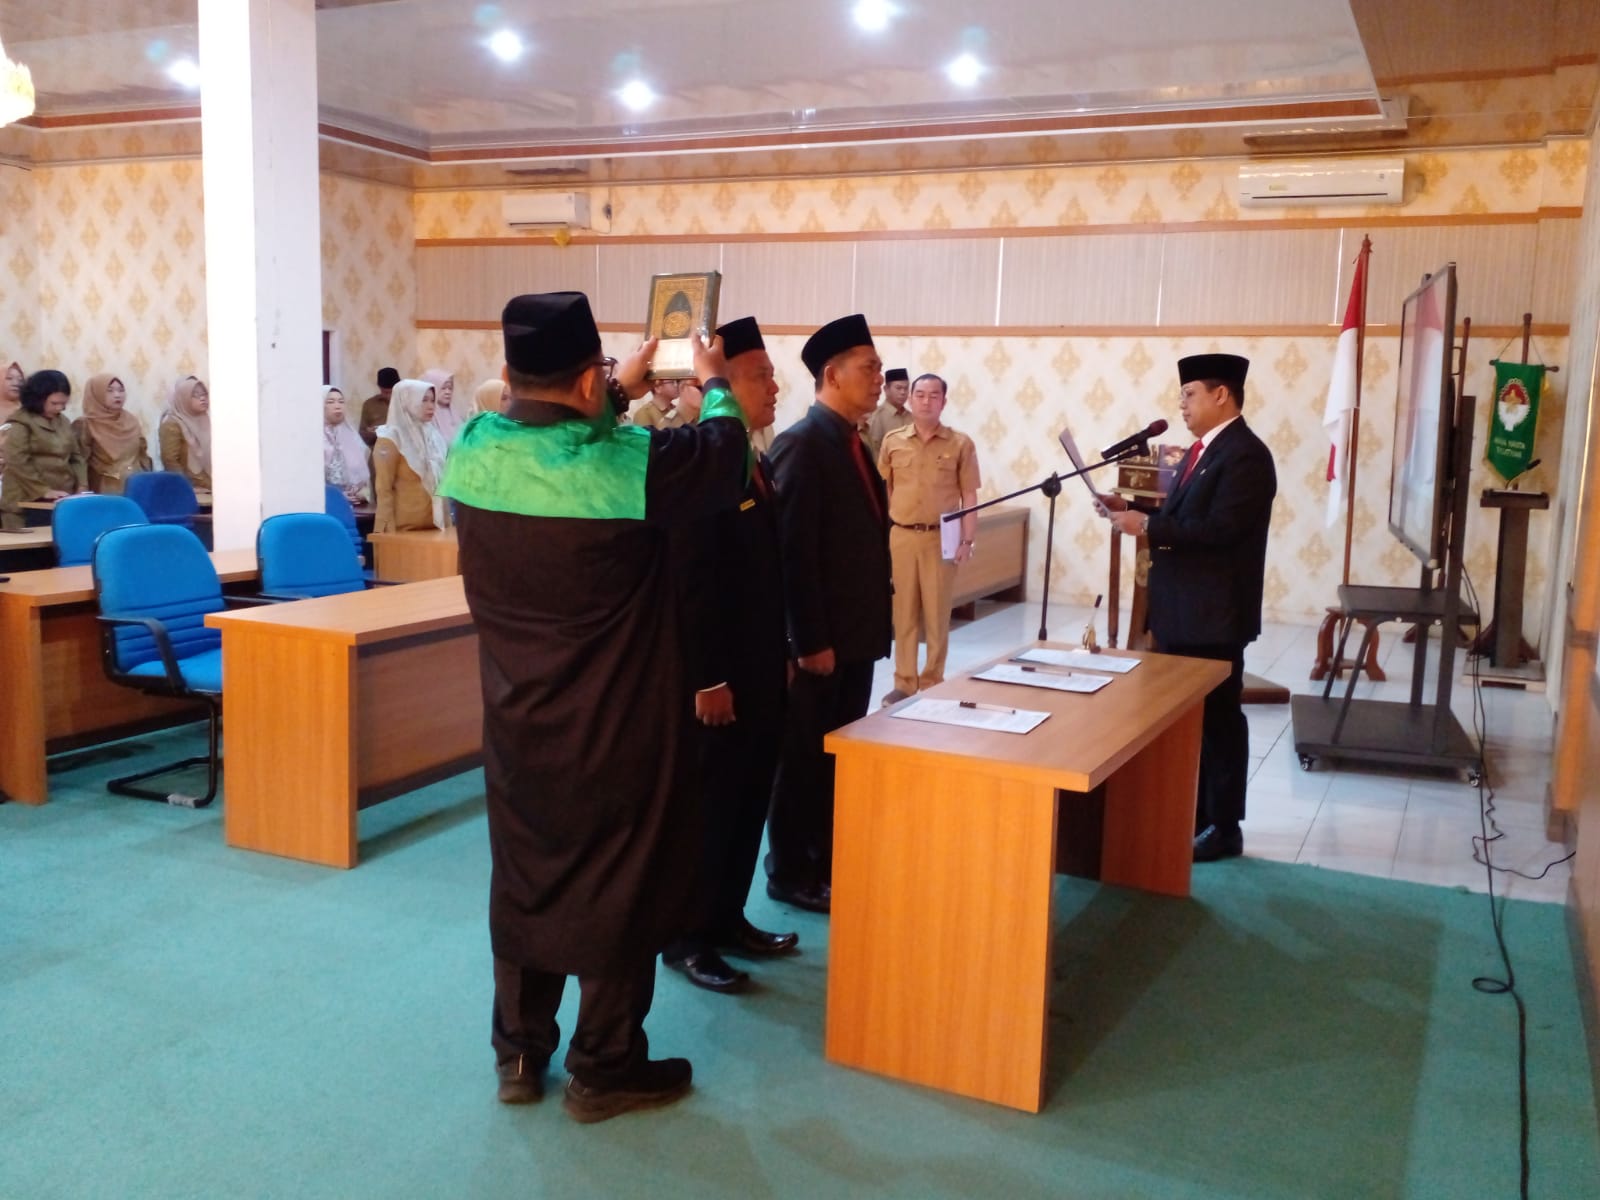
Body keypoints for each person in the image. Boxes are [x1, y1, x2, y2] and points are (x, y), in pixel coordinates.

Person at [437, 292, 749, 1122]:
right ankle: (605, 1065)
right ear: (586, 381)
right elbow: (727, 458)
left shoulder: (473, 448)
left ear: (508, 375)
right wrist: (714, 381)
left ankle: (518, 1051)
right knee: (620, 883)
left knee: (526, 877)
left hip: (516, 720)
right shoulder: (632, 465)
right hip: (617, 725)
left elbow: (550, 432)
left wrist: (611, 389)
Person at [662, 316, 797, 995]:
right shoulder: (698, 463)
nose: (775, 387)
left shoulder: (753, 457)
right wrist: (708, 677)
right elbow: (691, 580)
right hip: (718, 677)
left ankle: (726, 917)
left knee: (747, 800)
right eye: (760, 376)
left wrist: (783, 653)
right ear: (717, 383)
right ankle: (687, 938)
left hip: (759, 666)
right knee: (709, 808)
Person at [1098, 353, 1276, 863]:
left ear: (1221, 395)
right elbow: (1183, 512)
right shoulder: (1203, 450)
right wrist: (1132, 509)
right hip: (1182, 610)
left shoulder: (1245, 455)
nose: (1182, 404)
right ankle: (1193, 816)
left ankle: (1224, 827)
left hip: (1213, 616)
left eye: (1190, 394)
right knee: (1187, 722)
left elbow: (1220, 530)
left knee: (1219, 721)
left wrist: (1147, 527)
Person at [765, 314, 891, 913]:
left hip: (855, 638)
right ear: (832, 375)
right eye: (869, 368)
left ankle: (826, 861)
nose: (879, 377)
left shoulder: (853, 443)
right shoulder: (802, 444)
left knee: (838, 755)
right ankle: (791, 871)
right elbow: (792, 553)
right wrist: (807, 640)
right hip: (822, 644)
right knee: (804, 761)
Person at [877, 373, 980, 705]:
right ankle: (904, 682)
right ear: (910, 399)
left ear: (943, 402)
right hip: (902, 537)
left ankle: (933, 679)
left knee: (937, 614)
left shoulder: (960, 444)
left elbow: (969, 495)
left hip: (940, 538)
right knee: (903, 613)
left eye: (933, 396)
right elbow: (885, 489)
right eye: (919, 394)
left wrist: (967, 540)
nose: (925, 401)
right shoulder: (893, 441)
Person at [2, 370, 88, 529]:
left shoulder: (63, 421)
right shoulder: (20, 422)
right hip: (25, 501)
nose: (60, 408)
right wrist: (43, 490)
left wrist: (82, 486)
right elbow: (17, 460)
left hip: (59, 500)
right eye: (54, 403)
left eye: (63, 404)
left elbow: (76, 457)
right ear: (38, 399)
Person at [372, 378, 449, 533]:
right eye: (424, 400)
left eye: (432, 400)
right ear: (407, 401)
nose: (430, 406)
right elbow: (384, 489)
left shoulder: (433, 436)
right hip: (405, 528)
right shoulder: (390, 438)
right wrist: (386, 532)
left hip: (437, 525)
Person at [74, 374, 152, 495]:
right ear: (96, 394)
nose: (117, 395)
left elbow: (142, 455)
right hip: (105, 488)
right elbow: (79, 461)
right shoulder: (85, 424)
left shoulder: (131, 420)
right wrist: (82, 487)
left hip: (138, 486)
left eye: (121, 390)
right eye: (110, 391)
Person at [158, 376, 212, 491]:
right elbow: (170, 461)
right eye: (195, 395)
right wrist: (185, 487)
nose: (203, 398)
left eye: (204, 394)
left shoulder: (207, 420)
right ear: (183, 398)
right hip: (191, 487)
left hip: (213, 483)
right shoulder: (172, 424)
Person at [322, 385, 372, 505]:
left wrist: (362, 493)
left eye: (341, 401)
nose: (337, 406)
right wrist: (337, 495)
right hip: (324, 504)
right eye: (330, 402)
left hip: (353, 505)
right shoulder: (313, 438)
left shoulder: (351, 435)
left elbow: (363, 479)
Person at [864, 367, 911, 458]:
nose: (903, 392)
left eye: (906, 388)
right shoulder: (877, 416)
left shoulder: (912, 417)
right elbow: (873, 452)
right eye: (898, 388)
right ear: (886, 389)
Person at [423, 367, 466, 444]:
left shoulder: (455, 414)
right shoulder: (427, 415)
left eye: (450, 388)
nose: (447, 392)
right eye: (443, 388)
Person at [360, 367, 400, 448]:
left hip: (402, 453)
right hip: (378, 451)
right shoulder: (369, 404)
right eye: (385, 392)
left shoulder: (407, 404)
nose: (389, 396)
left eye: (392, 392)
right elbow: (362, 435)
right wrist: (374, 433)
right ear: (379, 387)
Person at [0, 360, 21, 475]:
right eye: (9, 378)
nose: (16, 383)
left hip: (21, 471)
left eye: (20, 380)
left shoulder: (26, 410)